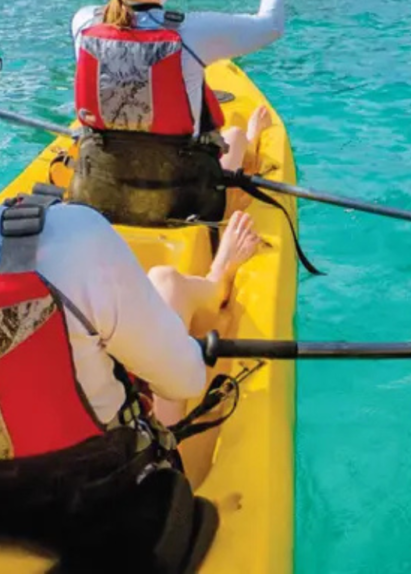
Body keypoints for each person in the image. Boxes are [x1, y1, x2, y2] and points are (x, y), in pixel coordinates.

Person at [0, 188, 258, 570]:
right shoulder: (72, 237)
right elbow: (185, 382)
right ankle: (215, 278)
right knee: (167, 284)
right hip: (99, 511)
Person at [69, 0, 284, 226]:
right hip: (185, 201)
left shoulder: (83, 24)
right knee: (236, 135)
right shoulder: (191, 34)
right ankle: (250, 138)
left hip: (101, 192)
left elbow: (131, 6)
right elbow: (271, 25)